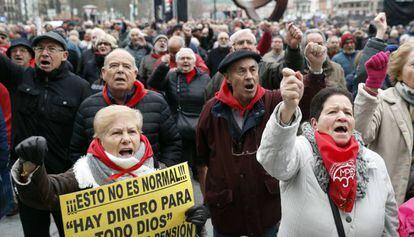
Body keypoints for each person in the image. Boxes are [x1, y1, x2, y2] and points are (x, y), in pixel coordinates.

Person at [11, 105, 209, 235]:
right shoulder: (83, 174)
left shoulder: (159, 172)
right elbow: (45, 195)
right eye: (116, 133)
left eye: (132, 131)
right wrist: (30, 166)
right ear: (99, 140)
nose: (126, 138)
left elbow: (179, 224)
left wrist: (193, 222)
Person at [196, 49, 326, 237]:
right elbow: (202, 161)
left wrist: (315, 69)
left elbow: (306, 99)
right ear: (228, 77)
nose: (249, 76)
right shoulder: (211, 111)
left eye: (253, 70)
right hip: (225, 213)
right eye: (241, 71)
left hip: (266, 211)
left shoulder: (273, 100)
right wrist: (210, 200)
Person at [257, 85, 398, 236]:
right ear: (315, 124)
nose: (342, 117)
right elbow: (273, 161)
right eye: (332, 111)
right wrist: (287, 109)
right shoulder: (299, 149)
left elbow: (389, 221)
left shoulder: (374, 161)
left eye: (348, 113)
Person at [0, 31, 91, 237]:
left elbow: (87, 131)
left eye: (51, 49)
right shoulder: (19, 77)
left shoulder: (79, 87)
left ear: (65, 55)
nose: (45, 53)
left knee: (72, 232)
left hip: (65, 176)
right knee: (34, 232)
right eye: (40, 49)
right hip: (28, 174)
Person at [70, 48, 182, 169]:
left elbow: (173, 144)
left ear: (135, 73)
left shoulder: (157, 102)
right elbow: (77, 151)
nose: (120, 70)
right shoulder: (88, 106)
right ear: (103, 73)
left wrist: (161, 169)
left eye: (126, 66)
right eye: (114, 66)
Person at [354, 44, 414, 205]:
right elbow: (360, 134)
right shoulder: (383, 100)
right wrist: (371, 89)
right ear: (399, 72)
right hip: (390, 200)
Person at [148, 48, 210, 178]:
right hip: (176, 129)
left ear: (194, 61)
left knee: (201, 168)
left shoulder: (204, 78)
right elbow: (153, 83)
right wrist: (163, 66)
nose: (185, 61)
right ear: (176, 62)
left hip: (198, 130)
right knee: (179, 171)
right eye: (182, 58)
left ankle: (206, 198)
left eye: (188, 58)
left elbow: (209, 101)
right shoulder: (171, 75)